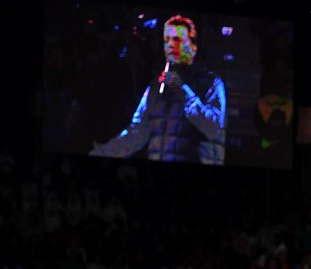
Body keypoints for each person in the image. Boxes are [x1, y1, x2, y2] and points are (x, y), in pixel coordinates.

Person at [90, 14, 226, 164]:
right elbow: (137, 132)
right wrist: (104, 152)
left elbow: (214, 129)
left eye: (177, 39)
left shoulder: (210, 82)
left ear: (193, 47)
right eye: (166, 40)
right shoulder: (157, 85)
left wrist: (182, 89)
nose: (171, 45)